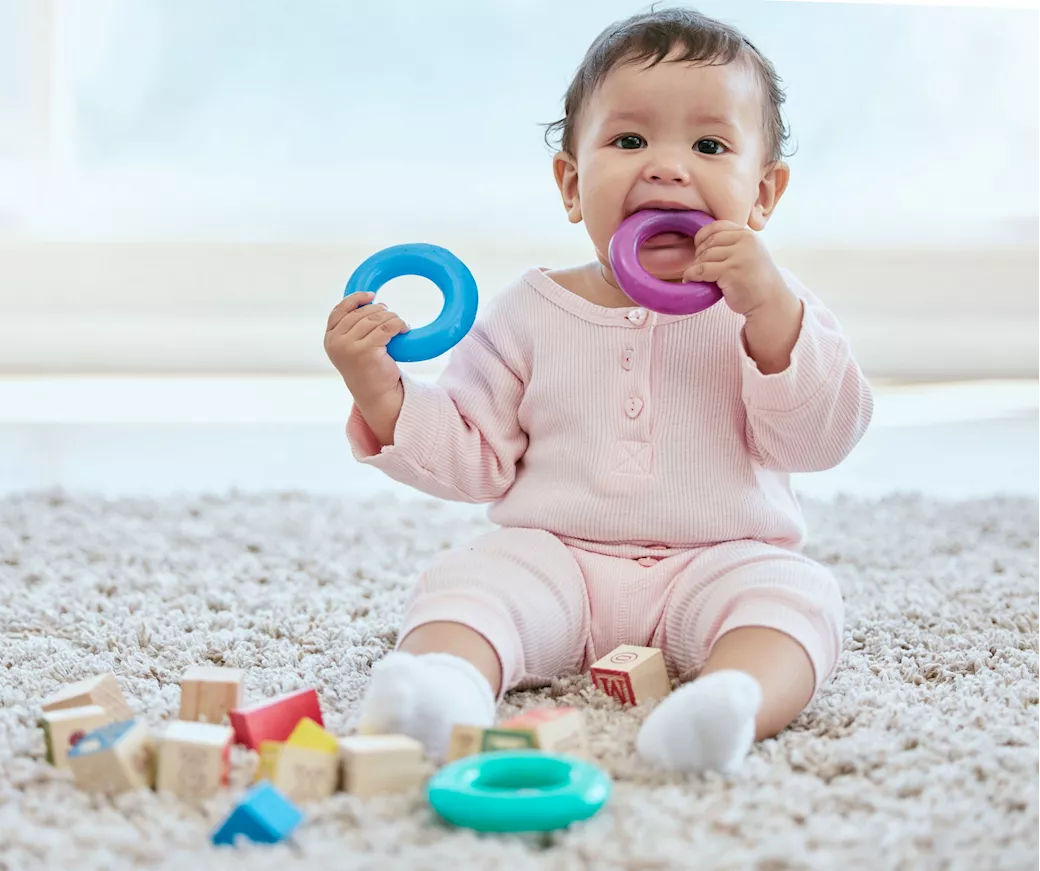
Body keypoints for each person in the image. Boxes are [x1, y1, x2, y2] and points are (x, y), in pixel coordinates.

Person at [323, 7, 873, 773]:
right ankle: (440, 691)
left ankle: (728, 703)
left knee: (797, 597)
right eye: (629, 140)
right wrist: (381, 387)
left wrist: (773, 314)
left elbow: (819, 441)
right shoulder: (530, 310)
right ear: (572, 185)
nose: (668, 166)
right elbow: (474, 459)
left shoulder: (773, 307)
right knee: (469, 579)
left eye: (710, 145)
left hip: (719, 557)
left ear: (763, 196)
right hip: (556, 558)